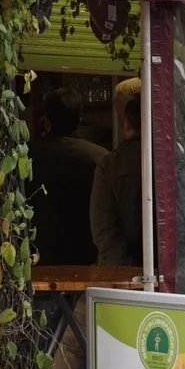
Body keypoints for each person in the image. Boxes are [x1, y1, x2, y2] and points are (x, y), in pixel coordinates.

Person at [29, 89, 107, 265]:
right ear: (80, 118)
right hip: (86, 252)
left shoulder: (28, 156)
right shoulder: (99, 158)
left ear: (46, 120)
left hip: (38, 252)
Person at [91, 79, 146, 268]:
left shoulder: (111, 164)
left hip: (125, 280)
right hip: (178, 283)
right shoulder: (181, 161)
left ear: (127, 122)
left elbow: (105, 232)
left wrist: (128, 274)